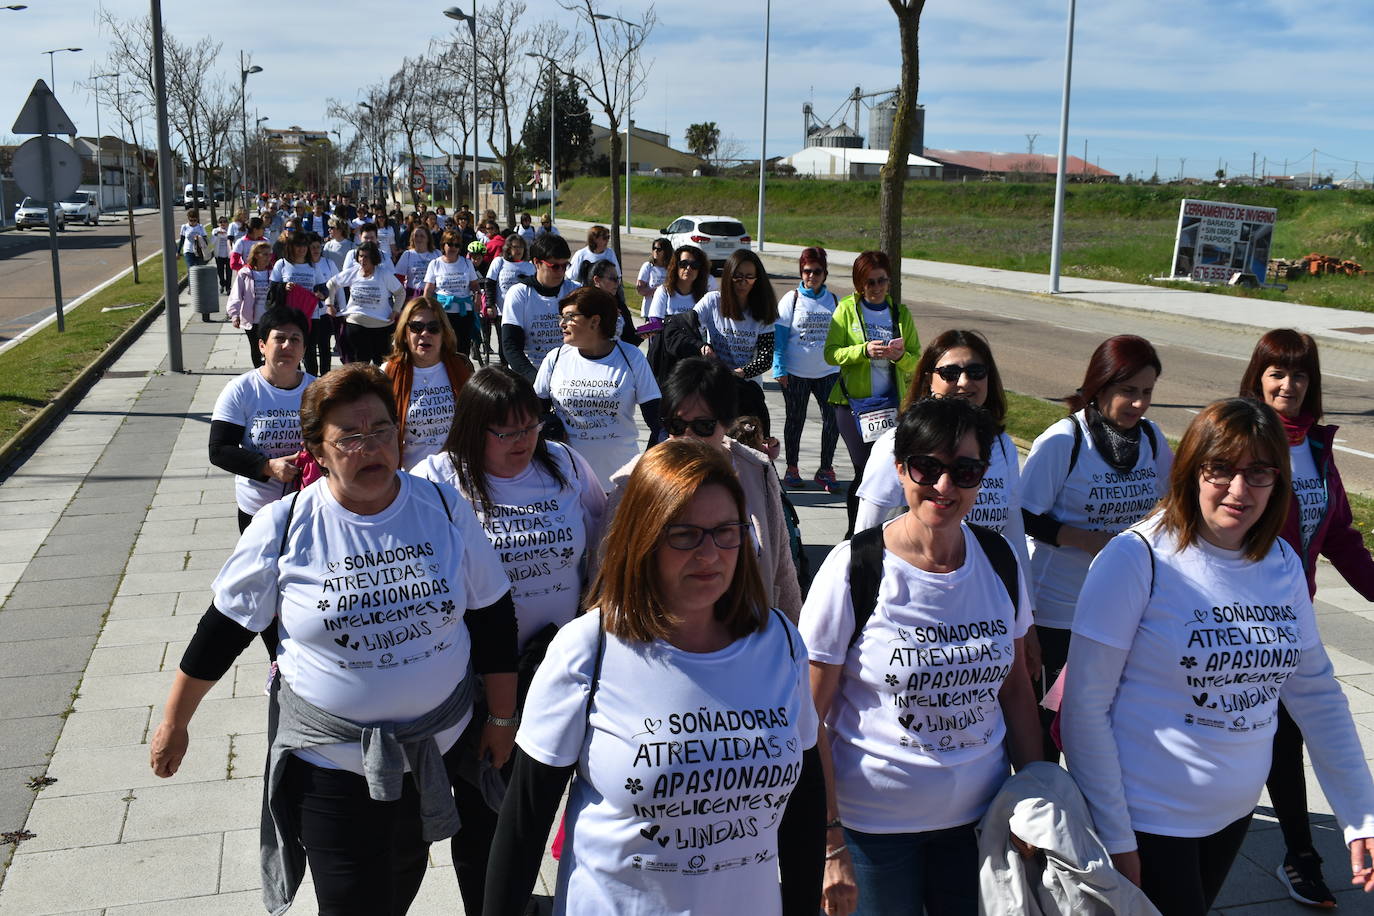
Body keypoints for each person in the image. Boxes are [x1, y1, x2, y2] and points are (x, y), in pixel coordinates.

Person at [156, 363, 519, 915]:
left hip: (432, 756)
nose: (370, 447)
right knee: (350, 900)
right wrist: (174, 722)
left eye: (381, 431)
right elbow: (222, 631)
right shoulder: (285, 525)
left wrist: (499, 718)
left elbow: (493, 616)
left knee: (401, 878)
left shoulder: (443, 508)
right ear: (317, 451)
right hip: (330, 769)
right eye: (349, 436)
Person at [483, 437, 824, 916]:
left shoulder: (781, 641)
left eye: (726, 531)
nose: (710, 554)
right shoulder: (589, 647)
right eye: (684, 534)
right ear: (642, 537)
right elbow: (523, 827)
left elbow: (804, 805)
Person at [1061, 397, 1374, 915]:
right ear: (1191, 469)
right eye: (1221, 469)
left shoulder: (1281, 561)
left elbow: (1316, 692)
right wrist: (1116, 836)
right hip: (1147, 819)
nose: (1238, 489)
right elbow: (1084, 710)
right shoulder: (1136, 558)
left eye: (1258, 472)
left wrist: (1360, 814)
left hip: (1233, 815)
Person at [800, 396, 1041, 916]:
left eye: (965, 470)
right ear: (898, 469)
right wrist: (828, 840)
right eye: (926, 467)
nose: (945, 486)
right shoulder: (855, 568)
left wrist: (1037, 798)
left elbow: (1017, 690)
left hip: (981, 820)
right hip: (873, 830)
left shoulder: (998, 560)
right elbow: (806, 716)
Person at [1238, 329, 1374, 907]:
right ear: (1258, 376)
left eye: (1299, 374)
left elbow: (1339, 534)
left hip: (1294, 619)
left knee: (1289, 735)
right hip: (1240, 622)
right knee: (1279, 738)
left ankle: (1300, 853)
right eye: (1277, 372)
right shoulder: (1239, 439)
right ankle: (1300, 853)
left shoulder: (1317, 448)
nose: (1288, 385)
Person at [1020, 334, 1172, 760]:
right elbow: (1025, 515)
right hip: (1060, 609)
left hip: (1124, 607)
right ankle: (1046, 813)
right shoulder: (1065, 440)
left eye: (1147, 393)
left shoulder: (1153, 440)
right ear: (1100, 385)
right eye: (1128, 392)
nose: (1139, 404)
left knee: (1109, 719)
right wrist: (1087, 540)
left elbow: (1174, 502)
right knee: (1051, 725)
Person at [413, 365, 606, 654]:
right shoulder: (435, 478)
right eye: (508, 433)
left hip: (562, 654)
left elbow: (604, 538)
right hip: (481, 662)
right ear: (474, 428)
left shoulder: (565, 462)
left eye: (530, 427)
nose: (524, 440)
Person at [606, 358, 802, 620]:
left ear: (726, 423)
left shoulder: (757, 471)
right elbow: (609, 573)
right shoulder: (634, 481)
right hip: (662, 640)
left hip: (748, 632)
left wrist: (791, 639)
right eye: (675, 426)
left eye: (703, 426)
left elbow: (781, 567)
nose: (688, 437)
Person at [856, 330, 1029, 575]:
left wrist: (1026, 597)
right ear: (929, 379)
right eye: (950, 373)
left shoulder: (1001, 445)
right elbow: (866, 531)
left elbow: (1012, 526)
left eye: (976, 372)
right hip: (909, 586)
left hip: (983, 585)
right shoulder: (893, 445)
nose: (964, 382)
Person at [824, 250, 920, 536]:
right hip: (852, 406)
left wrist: (900, 356)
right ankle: (855, 534)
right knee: (864, 471)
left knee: (890, 471)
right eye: (870, 283)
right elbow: (831, 354)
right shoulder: (845, 310)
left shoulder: (900, 314)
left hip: (890, 407)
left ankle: (887, 530)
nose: (876, 288)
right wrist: (863, 351)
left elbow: (916, 359)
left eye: (881, 281)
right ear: (859, 284)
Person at [535, 287, 661, 487]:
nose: (562, 323)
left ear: (595, 321)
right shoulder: (555, 358)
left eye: (569, 316)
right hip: (567, 481)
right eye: (561, 317)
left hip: (621, 482)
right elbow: (533, 415)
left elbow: (657, 421)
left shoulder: (631, 357)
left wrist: (651, 465)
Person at [208, 306, 315, 534]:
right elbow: (219, 450)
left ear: (304, 348)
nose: (287, 346)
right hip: (257, 508)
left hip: (309, 504)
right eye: (280, 338)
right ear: (262, 346)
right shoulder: (241, 389)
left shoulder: (318, 389)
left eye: (296, 339)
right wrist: (267, 467)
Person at [772, 246, 840, 493]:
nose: (811, 276)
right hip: (796, 372)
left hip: (828, 372)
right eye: (807, 271)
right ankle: (792, 468)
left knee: (832, 421)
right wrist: (779, 367)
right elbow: (779, 338)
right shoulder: (791, 299)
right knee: (795, 420)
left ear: (825, 273)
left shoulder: (834, 301)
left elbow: (841, 336)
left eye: (817, 271)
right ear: (801, 272)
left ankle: (826, 469)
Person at [382, 297, 474, 470]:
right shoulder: (388, 373)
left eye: (433, 328)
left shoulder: (461, 368)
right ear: (405, 333)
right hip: (412, 478)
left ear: (444, 332)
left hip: (457, 476)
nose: (425, 334)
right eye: (416, 328)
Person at [694, 249, 779, 433]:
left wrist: (740, 373)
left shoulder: (764, 310)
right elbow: (688, 327)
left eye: (749, 277)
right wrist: (702, 346)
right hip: (715, 386)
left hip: (747, 391)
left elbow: (765, 357)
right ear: (728, 276)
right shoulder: (712, 301)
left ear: (758, 279)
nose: (743, 283)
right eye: (737, 276)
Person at [501, 233, 579, 383]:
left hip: (568, 376)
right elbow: (511, 346)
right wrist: (536, 380)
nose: (561, 272)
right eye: (555, 266)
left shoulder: (574, 291)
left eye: (565, 265)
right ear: (537, 262)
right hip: (530, 375)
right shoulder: (519, 294)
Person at [327, 241, 403, 366]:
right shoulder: (353, 272)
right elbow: (332, 284)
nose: (363, 259)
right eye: (360, 256)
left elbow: (400, 293)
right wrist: (329, 304)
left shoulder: (384, 274)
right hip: (356, 325)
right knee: (360, 366)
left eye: (366, 256)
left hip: (381, 326)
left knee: (383, 365)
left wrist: (395, 311)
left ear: (374, 258)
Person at [422, 228, 483, 348]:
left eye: (456, 245)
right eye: (450, 244)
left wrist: (478, 297)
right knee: (443, 347)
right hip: (443, 312)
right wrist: (425, 309)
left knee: (462, 346)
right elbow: (428, 289)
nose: (453, 248)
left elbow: (475, 285)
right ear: (443, 245)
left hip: (464, 311)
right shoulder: (435, 264)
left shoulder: (466, 263)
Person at [226, 241, 275, 369]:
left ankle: (268, 370)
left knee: (269, 346)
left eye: (269, 254)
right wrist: (235, 315)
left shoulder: (274, 273)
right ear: (256, 255)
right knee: (255, 347)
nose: (268, 257)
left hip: (269, 319)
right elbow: (236, 295)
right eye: (264, 254)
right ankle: (258, 371)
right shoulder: (245, 273)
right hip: (251, 319)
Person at [586, 258, 642, 347]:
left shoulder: (619, 305)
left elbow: (629, 339)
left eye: (618, 279)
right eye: (613, 279)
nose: (617, 283)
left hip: (617, 358)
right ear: (597, 280)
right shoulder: (584, 306)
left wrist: (642, 334)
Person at [645, 245, 710, 320]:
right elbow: (655, 322)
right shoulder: (664, 292)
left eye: (694, 265)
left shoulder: (705, 296)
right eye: (683, 264)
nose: (688, 268)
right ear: (675, 266)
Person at [395, 225, 440, 300]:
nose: (419, 238)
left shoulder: (437, 253)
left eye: (422, 236)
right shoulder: (408, 254)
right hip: (413, 295)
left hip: (433, 295)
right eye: (416, 236)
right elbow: (399, 278)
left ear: (428, 239)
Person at [635, 237, 672, 302]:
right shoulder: (648, 266)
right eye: (654, 248)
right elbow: (640, 289)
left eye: (659, 249)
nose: (656, 251)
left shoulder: (672, 268)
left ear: (666, 251)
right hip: (650, 305)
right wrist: (658, 291)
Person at [211, 216, 233, 294]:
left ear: (227, 223)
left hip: (228, 254)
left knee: (229, 272)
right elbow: (212, 242)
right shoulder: (215, 230)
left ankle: (228, 287)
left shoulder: (230, 230)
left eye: (224, 222)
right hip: (219, 254)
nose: (223, 223)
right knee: (220, 272)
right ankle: (222, 284)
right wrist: (216, 235)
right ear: (218, 223)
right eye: (221, 222)